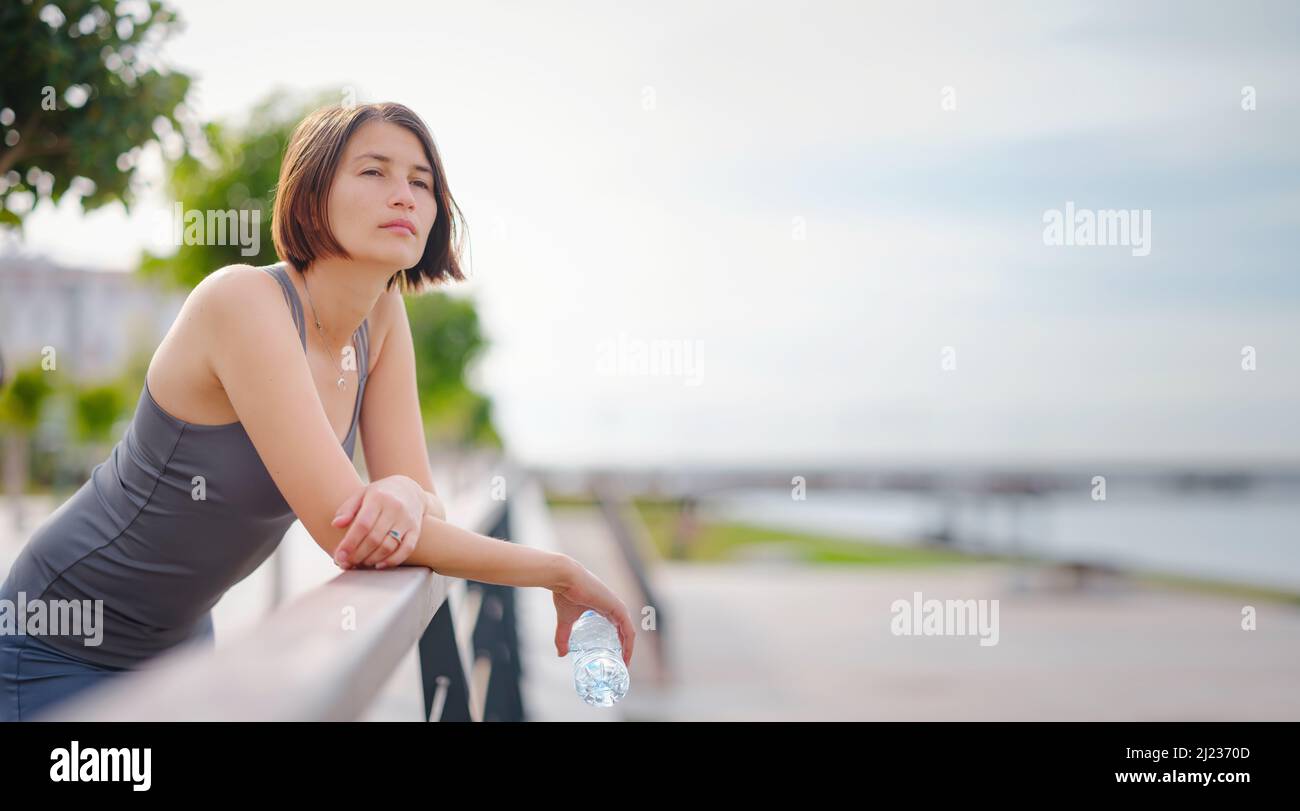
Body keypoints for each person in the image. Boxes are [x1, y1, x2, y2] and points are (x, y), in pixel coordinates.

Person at [0, 101, 634, 722]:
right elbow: (346, 534)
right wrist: (557, 571)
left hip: (180, 642)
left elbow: (422, 503)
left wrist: (407, 498)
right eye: (373, 171)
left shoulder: (382, 318)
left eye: (422, 182)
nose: (404, 195)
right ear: (311, 195)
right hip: (55, 643)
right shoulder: (243, 302)